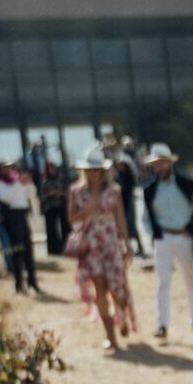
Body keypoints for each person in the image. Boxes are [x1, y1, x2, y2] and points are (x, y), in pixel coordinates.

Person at [68, 149, 135, 350]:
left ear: (102, 171)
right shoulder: (76, 191)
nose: (92, 173)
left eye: (96, 170)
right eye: (89, 170)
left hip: (110, 244)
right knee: (99, 289)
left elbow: (120, 219)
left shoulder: (114, 191)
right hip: (90, 246)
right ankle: (111, 336)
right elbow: (71, 219)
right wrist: (85, 211)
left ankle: (121, 313)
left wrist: (127, 243)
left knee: (116, 288)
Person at [143, 143, 193, 338]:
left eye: (161, 163)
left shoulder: (187, 184)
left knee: (190, 280)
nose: (159, 167)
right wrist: (154, 235)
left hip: (184, 237)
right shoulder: (150, 189)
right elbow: (146, 217)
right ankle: (162, 324)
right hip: (163, 238)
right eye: (155, 164)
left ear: (169, 163)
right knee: (163, 281)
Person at [0, 158, 42, 294]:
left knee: (28, 249)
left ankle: (32, 282)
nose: (9, 170)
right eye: (5, 167)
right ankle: (19, 284)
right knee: (17, 250)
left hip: (22, 215)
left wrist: (29, 183)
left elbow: (31, 193)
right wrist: (19, 184)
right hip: (11, 216)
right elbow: (7, 198)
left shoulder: (16, 180)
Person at [114, 138, 145, 258]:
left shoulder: (128, 176)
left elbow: (130, 188)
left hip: (128, 202)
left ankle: (140, 246)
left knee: (132, 224)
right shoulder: (118, 176)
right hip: (121, 204)